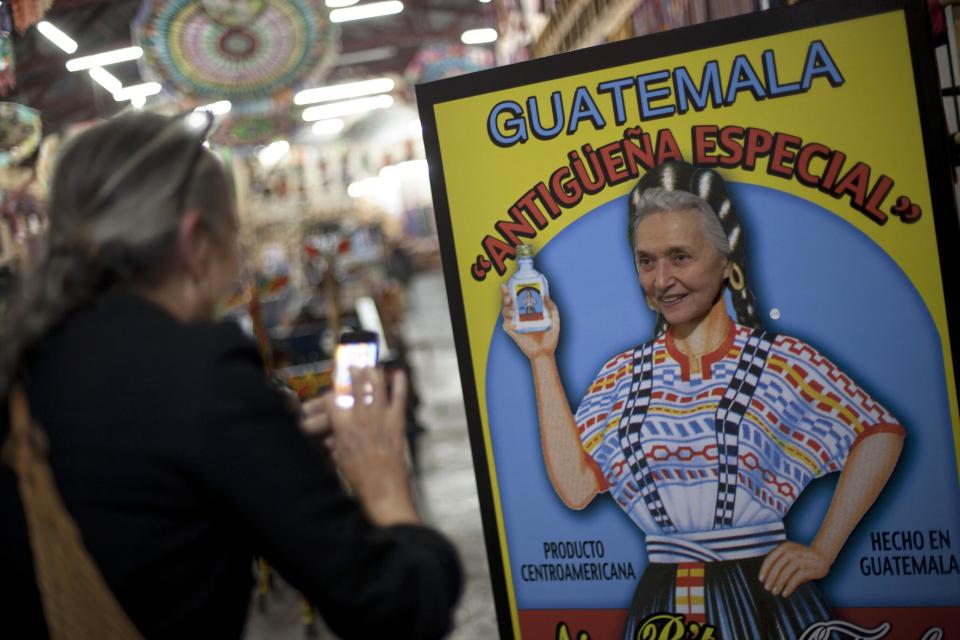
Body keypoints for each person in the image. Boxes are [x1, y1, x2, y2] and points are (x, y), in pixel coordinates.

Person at [0, 111, 461, 639]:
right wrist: (381, 476)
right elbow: (400, 608)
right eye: (233, 235)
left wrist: (271, 440)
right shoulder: (198, 372)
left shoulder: (28, 359)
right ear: (196, 242)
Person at [500, 160, 903, 639]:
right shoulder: (622, 374)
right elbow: (577, 487)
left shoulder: (780, 361)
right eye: (646, 261)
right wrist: (541, 358)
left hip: (762, 596)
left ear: (726, 261)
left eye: (680, 257)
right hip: (662, 600)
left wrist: (822, 549)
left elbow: (879, 433)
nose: (661, 279)